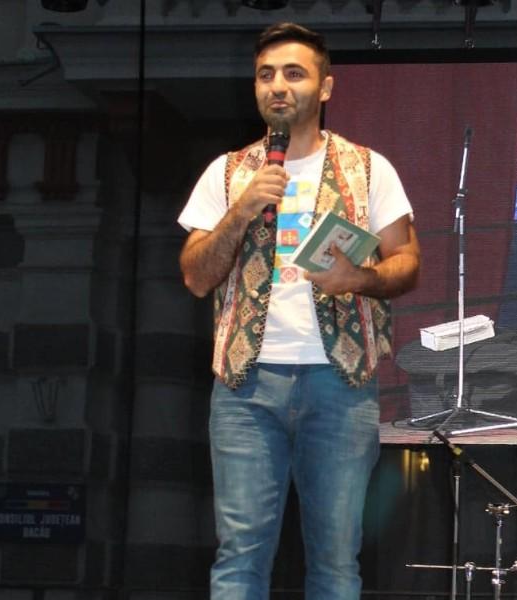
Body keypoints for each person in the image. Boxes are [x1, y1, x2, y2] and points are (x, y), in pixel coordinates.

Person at [177, 22, 419, 600]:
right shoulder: (228, 172)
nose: (277, 86)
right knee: (239, 556)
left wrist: (359, 278)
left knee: (335, 559)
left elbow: (408, 263)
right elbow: (195, 276)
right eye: (265, 75)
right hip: (245, 388)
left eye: (294, 73)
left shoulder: (369, 168)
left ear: (325, 87)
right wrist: (241, 211)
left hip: (340, 385)